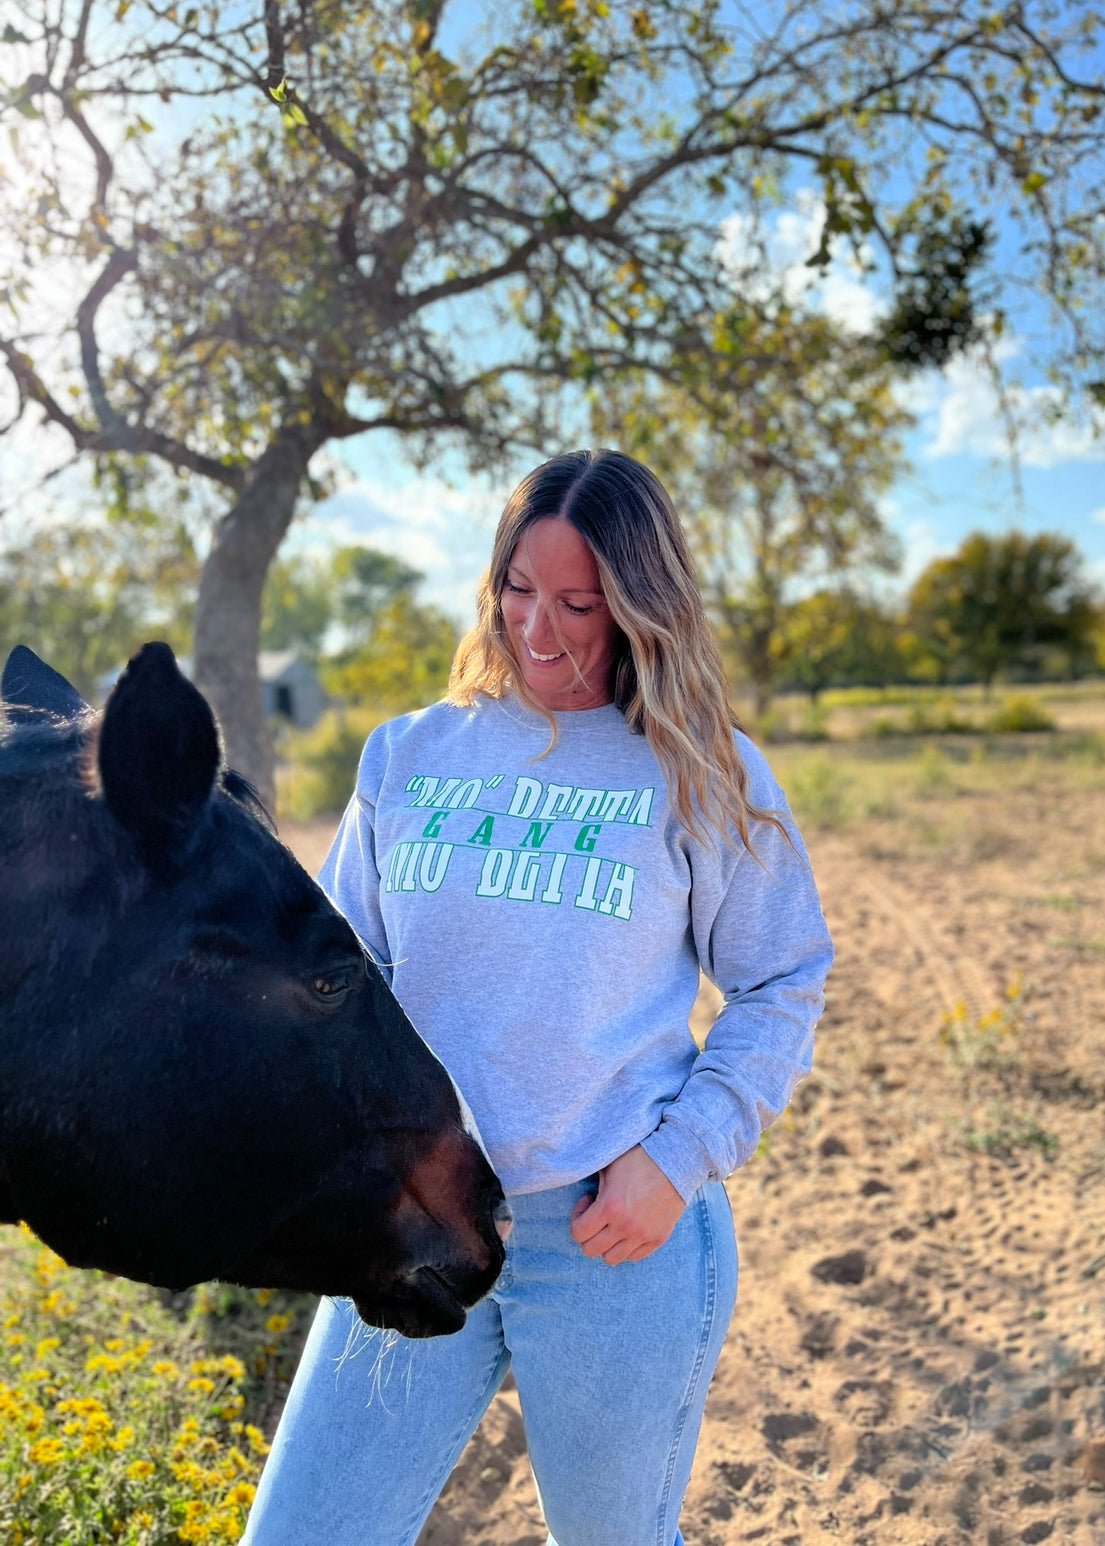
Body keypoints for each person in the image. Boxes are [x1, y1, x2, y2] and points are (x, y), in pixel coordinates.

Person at [241, 448, 833, 1546]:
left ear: (643, 605)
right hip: (410, 1224)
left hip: (614, 1239)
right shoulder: (408, 755)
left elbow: (782, 975)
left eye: (578, 601)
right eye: (518, 588)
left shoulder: (702, 770)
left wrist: (678, 1158)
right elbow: (340, 974)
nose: (539, 628)